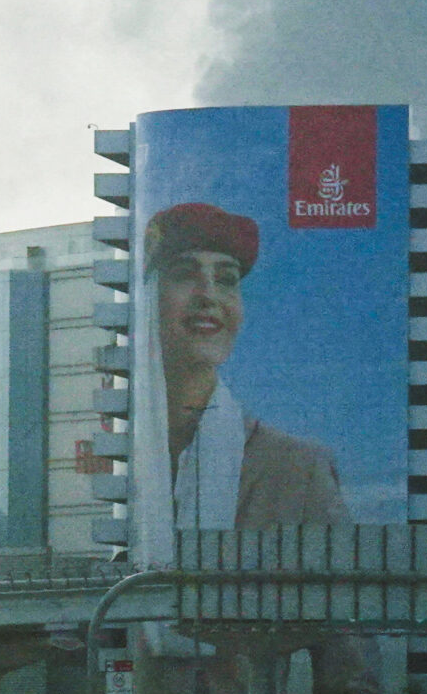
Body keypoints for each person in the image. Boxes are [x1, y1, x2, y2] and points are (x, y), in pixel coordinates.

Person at [147, 200, 349, 529]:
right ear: (148, 297)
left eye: (226, 279)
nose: (208, 295)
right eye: (185, 274)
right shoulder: (134, 448)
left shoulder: (298, 469)